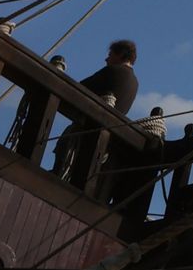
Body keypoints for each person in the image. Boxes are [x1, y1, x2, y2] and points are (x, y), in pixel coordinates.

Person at [56, 40, 140, 187]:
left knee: (64, 159)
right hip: (106, 139)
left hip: (86, 130)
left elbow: (79, 88)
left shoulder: (113, 71)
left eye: (110, 55)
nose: (106, 59)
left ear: (120, 55)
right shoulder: (135, 82)